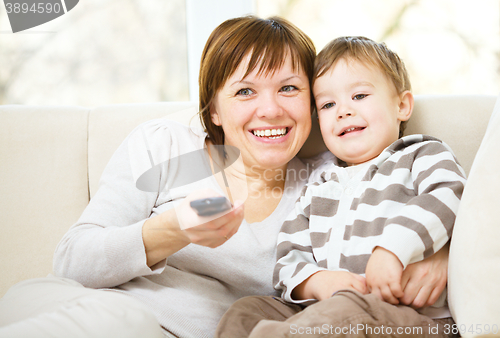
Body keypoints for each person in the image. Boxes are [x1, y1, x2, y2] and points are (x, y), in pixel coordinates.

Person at [0, 19, 450, 338]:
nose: (270, 109)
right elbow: (71, 263)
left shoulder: (325, 187)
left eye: (289, 88)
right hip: (68, 306)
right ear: (214, 109)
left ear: (311, 104)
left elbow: (417, 203)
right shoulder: (166, 147)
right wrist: (168, 230)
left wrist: (441, 253)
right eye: (245, 91)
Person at [215, 36, 466, 338]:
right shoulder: (318, 185)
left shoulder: (420, 154)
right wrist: (317, 281)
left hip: (410, 316)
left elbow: (448, 195)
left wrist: (393, 249)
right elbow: (289, 255)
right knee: (248, 311)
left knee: (343, 310)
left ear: (401, 105)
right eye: (328, 104)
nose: (343, 111)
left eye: (359, 96)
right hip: (325, 312)